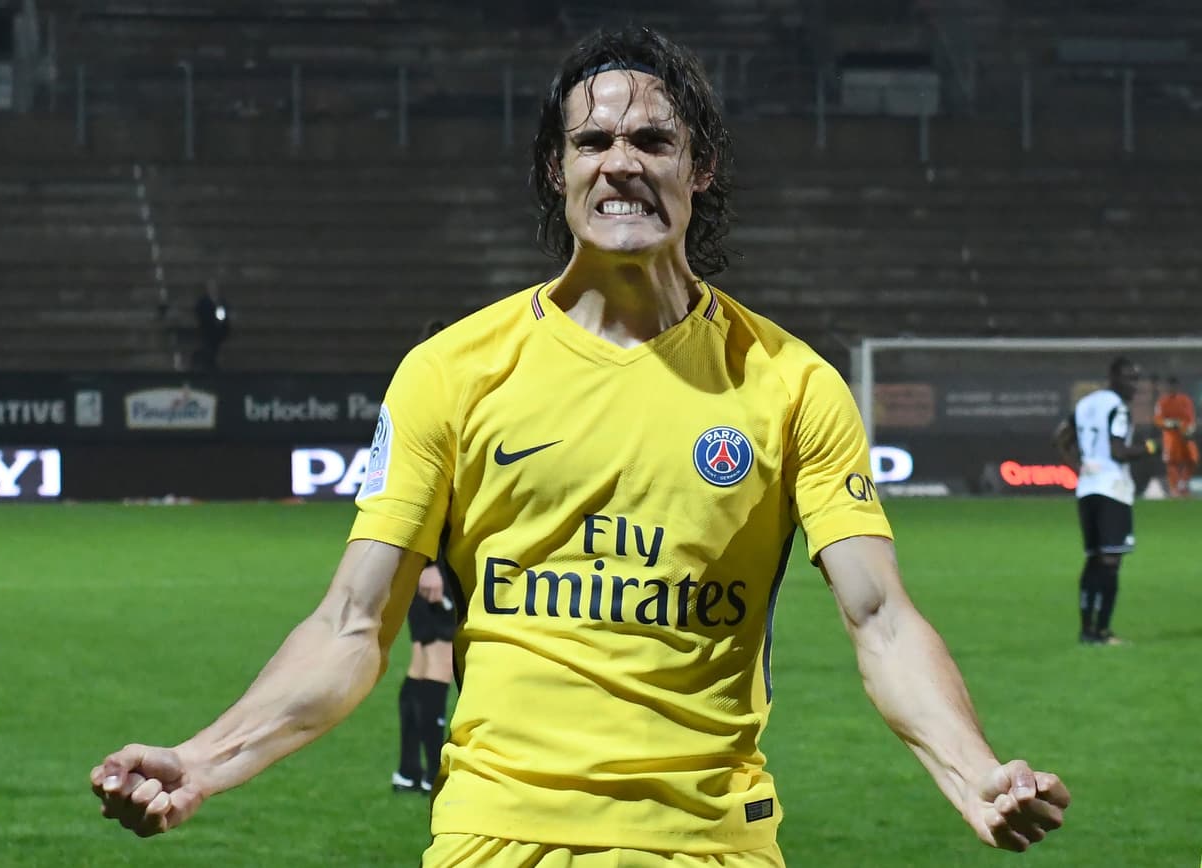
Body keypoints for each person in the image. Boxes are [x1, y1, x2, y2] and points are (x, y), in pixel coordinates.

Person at [91, 26, 1070, 865]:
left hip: (709, 844)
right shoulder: (450, 372)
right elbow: (351, 625)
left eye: (652, 139)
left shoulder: (790, 382)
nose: (620, 162)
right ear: (555, 170)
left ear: (699, 167)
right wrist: (204, 760)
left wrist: (971, 771)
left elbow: (881, 620)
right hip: (495, 838)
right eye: (592, 140)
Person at [1054, 357, 1159, 646]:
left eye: (1136, 379)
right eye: (1129, 378)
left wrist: (1081, 466)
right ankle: (1102, 632)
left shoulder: (1086, 404)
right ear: (1113, 378)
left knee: (1094, 559)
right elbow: (1118, 452)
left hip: (1087, 488)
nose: (1134, 385)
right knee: (1110, 561)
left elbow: (1060, 438)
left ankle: (1087, 629)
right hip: (1112, 489)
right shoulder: (1118, 407)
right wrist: (1150, 447)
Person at [392, 561, 455, 794]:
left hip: (419, 566)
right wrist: (430, 565)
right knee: (441, 659)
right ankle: (434, 774)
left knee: (421, 661)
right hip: (435, 569)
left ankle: (408, 771)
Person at [1153, 375, 1196, 498]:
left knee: (1193, 458)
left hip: (1184, 434)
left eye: (1174, 386)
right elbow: (1158, 420)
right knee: (1171, 462)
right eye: (1170, 386)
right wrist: (1170, 423)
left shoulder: (1185, 400)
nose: (1172, 388)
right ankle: (1175, 488)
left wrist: (1190, 428)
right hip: (1170, 435)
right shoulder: (1162, 402)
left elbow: (1191, 417)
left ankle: (1183, 483)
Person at [191, 278, 230, 372]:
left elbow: (224, 316)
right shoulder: (203, 302)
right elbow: (200, 315)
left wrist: (221, 321)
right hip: (207, 330)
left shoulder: (221, 302)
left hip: (219, 331)